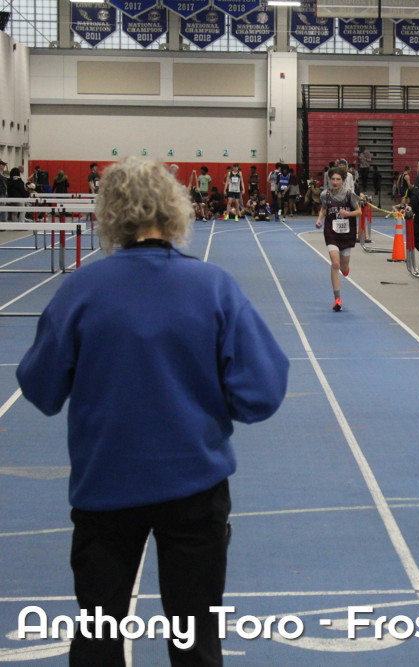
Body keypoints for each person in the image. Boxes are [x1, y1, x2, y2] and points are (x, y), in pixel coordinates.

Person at [16, 157, 288, 666]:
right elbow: (262, 392)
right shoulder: (213, 287)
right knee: (195, 641)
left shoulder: (81, 290)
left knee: (98, 638)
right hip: (194, 484)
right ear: (175, 208)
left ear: (109, 214)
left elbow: (41, 387)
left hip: (105, 486)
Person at [315, 167, 362, 311]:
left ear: (343, 180)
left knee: (343, 267)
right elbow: (324, 208)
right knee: (335, 263)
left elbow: (359, 211)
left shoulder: (349, 195)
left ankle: (345, 268)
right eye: (333, 179)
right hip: (331, 233)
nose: (335, 182)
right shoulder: (325, 194)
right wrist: (319, 219)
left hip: (347, 233)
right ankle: (337, 299)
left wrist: (347, 214)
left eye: (338, 179)